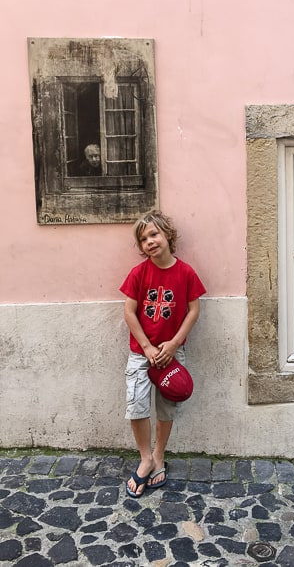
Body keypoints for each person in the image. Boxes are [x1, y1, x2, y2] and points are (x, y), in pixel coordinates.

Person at [120, 210, 206, 498]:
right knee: (136, 405)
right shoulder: (138, 273)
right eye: (143, 239)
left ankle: (158, 456)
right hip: (141, 352)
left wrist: (173, 344)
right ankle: (145, 458)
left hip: (171, 353)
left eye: (154, 234)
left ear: (168, 235)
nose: (150, 242)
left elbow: (194, 310)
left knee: (167, 407)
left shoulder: (186, 273)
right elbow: (129, 312)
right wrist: (146, 346)